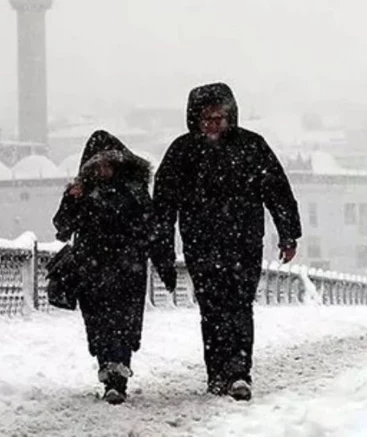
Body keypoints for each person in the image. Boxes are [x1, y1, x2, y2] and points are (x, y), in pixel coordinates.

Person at [152, 83, 301, 401]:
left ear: (230, 117)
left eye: (220, 117)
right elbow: (163, 203)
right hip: (201, 243)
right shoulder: (182, 152)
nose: (214, 124)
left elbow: (277, 190)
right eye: (208, 118)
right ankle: (217, 373)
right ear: (196, 119)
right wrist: (161, 244)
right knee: (211, 308)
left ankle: (238, 372)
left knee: (239, 306)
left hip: (243, 242)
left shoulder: (251, 146)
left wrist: (289, 234)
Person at [52, 130, 177, 405]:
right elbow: (62, 228)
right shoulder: (82, 194)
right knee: (98, 324)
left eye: (108, 164)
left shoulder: (134, 193)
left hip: (127, 271)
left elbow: (153, 232)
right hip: (92, 270)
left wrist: (165, 265)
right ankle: (108, 369)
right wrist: (72, 199)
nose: (103, 170)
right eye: (97, 165)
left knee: (123, 324)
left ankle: (117, 376)